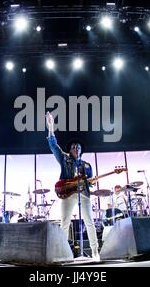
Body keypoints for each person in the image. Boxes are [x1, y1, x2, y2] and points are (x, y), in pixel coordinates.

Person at [46, 111, 100, 260]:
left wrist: (93, 182)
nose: (76, 149)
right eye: (74, 147)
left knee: (89, 222)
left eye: (78, 147)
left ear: (81, 150)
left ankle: (95, 252)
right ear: (70, 150)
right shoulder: (64, 159)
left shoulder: (87, 165)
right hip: (68, 194)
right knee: (65, 223)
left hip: (83, 194)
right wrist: (51, 128)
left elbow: (91, 183)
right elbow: (53, 146)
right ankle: (62, 253)